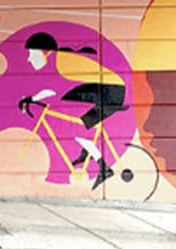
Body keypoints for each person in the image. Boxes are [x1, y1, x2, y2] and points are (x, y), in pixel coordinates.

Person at [17, 31, 126, 189]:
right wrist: (33, 98)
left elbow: (52, 91)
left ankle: (104, 168)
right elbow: (55, 91)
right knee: (73, 118)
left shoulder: (59, 62)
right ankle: (86, 151)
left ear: (46, 53)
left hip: (110, 94)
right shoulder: (58, 61)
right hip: (101, 91)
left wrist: (31, 99)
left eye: (32, 53)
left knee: (76, 125)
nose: (29, 58)